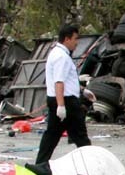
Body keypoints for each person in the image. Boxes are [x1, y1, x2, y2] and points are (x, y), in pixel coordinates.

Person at [36, 24, 91, 164]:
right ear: (67, 39)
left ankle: (40, 163)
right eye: (75, 39)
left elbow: (67, 80)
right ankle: (90, 163)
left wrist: (82, 90)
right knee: (80, 135)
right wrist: (61, 106)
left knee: (52, 135)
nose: (76, 42)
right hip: (65, 101)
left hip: (61, 99)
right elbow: (59, 82)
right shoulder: (61, 56)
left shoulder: (58, 53)